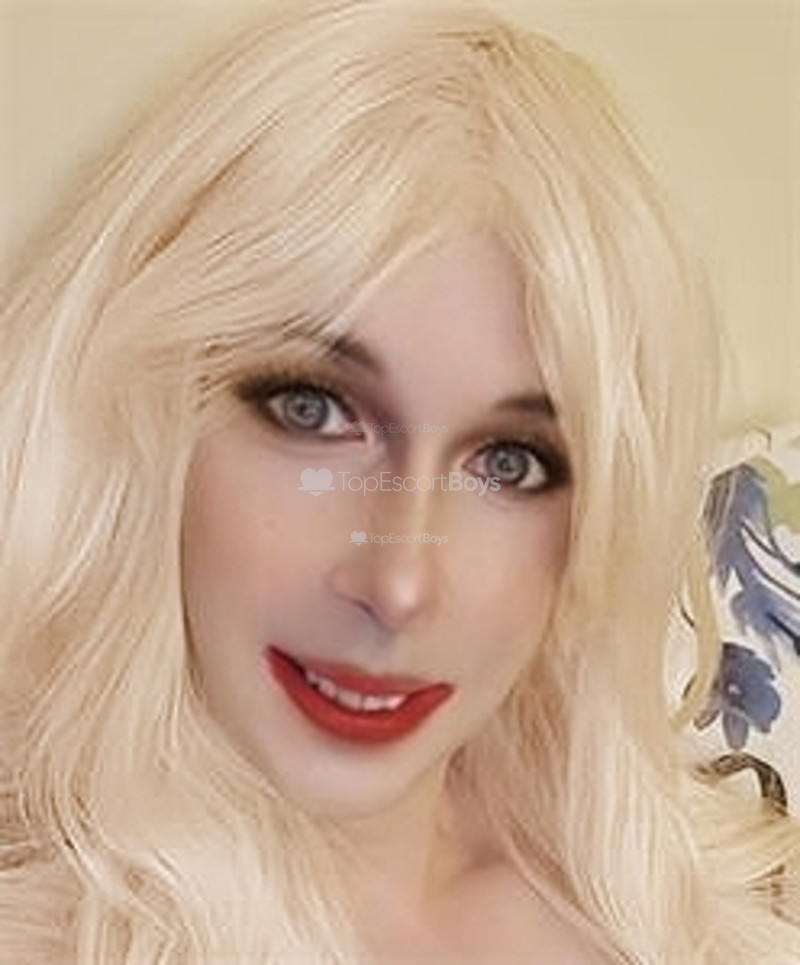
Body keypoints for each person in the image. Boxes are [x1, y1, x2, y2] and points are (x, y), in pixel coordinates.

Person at [1, 1, 798, 962]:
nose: (399, 582)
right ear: (147, 415)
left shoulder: (698, 892)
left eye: (510, 462)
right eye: (311, 409)